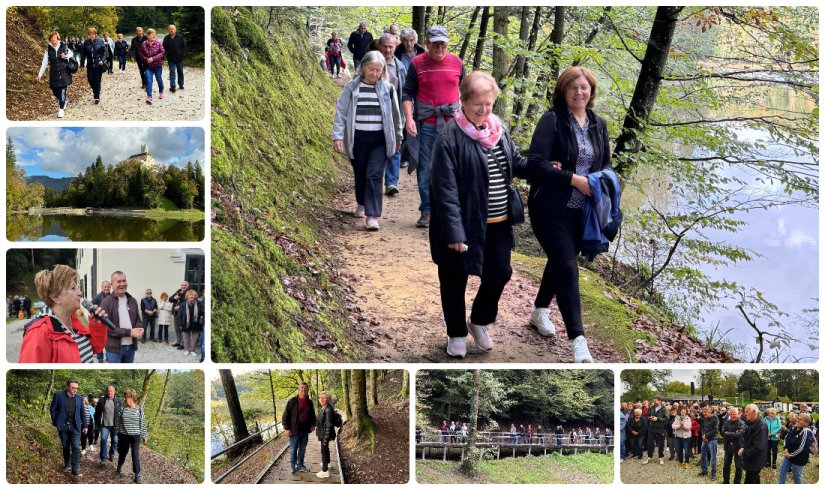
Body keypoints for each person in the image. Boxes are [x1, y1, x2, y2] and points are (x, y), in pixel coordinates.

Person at [428, 71, 528, 357]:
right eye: (477, 105)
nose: (484, 111)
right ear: (463, 101)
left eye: (489, 104)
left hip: (498, 223)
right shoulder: (448, 138)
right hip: (463, 224)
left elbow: (515, 162)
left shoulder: (499, 129)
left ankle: (479, 321)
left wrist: (542, 167)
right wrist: (454, 233)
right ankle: (456, 333)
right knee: (454, 279)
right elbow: (444, 191)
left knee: (500, 273)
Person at [526, 66, 611, 362]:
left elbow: (607, 166)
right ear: (563, 91)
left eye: (584, 87)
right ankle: (579, 340)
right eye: (573, 87)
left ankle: (539, 311)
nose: (579, 92)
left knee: (561, 262)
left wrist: (602, 183)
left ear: (591, 91)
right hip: (549, 207)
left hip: (583, 212)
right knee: (566, 264)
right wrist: (573, 179)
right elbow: (534, 164)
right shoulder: (552, 121)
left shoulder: (598, 124)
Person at [402, 25, 465, 228]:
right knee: (426, 167)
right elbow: (407, 93)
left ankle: (450, 211)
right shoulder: (417, 63)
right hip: (427, 124)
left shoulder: (457, 63)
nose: (439, 47)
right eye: (435, 43)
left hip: (453, 125)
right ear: (427, 43)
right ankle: (427, 210)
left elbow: (466, 92)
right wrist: (409, 119)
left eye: (443, 43)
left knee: (455, 167)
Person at [332, 50, 403, 231]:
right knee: (361, 172)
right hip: (357, 138)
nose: (375, 73)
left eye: (379, 70)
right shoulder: (352, 87)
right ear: (363, 68)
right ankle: (362, 203)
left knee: (374, 174)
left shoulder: (388, 89)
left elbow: (396, 115)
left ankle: (372, 215)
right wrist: (338, 136)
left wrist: (398, 136)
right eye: (371, 69)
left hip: (379, 139)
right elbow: (341, 112)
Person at [18, 265, 107, 363]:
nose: (80, 293)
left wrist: (97, 325)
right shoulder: (38, 332)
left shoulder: (73, 321)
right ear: (56, 297)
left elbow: (93, 349)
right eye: (73, 288)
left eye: (77, 287)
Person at [376, 32, 407, 197]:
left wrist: (405, 115)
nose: (388, 50)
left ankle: (391, 183)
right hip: (374, 113)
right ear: (379, 46)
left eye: (391, 47)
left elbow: (405, 92)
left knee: (395, 146)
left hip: (394, 113)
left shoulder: (400, 67)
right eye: (385, 46)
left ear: (395, 47)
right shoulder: (372, 62)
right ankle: (374, 181)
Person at [98, 271, 145, 363]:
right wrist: (129, 332)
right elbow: (106, 328)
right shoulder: (106, 302)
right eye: (118, 281)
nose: (122, 284)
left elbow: (138, 319)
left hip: (131, 347)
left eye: (124, 281)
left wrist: (139, 327)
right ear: (112, 284)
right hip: (114, 350)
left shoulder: (132, 300)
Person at [50, 379, 88, 478]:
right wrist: (56, 422)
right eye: (72, 387)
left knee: (75, 446)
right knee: (66, 446)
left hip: (75, 426)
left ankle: (75, 470)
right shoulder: (58, 395)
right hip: (63, 426)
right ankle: (67, 465)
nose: (75, 390)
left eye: (76, 388)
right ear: (68, 387)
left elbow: (82, 412)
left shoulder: (79, 398)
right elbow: (53, 409)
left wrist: (85, 425)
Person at [36, 31, 73, 118]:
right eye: (52, 38)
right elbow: (44, 63)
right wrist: (40, 74)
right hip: (54, 73)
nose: (53, 39)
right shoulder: (48, 49)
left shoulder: (63, 46)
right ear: (50, 39)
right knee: (55, 91)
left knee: (63, 90)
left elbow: (71, 54)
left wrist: (66, 56)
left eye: (55, 37)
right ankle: (64, 100)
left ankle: (61, 109)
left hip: (64, 71)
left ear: (57, 38)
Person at [116, 389, 148, 484]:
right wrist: (117, 433)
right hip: (124, 435)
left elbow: (142, 423)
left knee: (135, 455)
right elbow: (118, 423)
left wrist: (145, 435)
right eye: (125, 397)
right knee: (123, 453)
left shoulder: (139, 409)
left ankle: (137, 474)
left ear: (132, 397)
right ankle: (120, 465)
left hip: (135, 436)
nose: (125, 399)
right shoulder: (122, 409)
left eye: (128, 397)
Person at [283, 382, 316, 473]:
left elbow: (312, 415)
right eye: (302, 388)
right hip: (294, 430)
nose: (303, 390)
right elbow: (286, 415)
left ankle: (300, 464)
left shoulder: (309, 402)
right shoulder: (292, 401)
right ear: (299, 390)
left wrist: (313, 424)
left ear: (307, 390)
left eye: (305, 388)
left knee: (302, 449)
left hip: (305, 430)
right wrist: (286, 428)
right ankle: (293, 466)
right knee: (293, 449)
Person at [779, 412, 814, 484]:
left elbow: (801, 447)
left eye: (800, 419)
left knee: (797, 476)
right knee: (782, 470)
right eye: (798, 418)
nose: (797, 420)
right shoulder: (795, 427)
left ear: (806, 423)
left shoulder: (807, 432)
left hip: (798, 459)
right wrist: (785, 448)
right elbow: (786, 437)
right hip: (788, 455)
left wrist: (790, 455)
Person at [740, 404, 768, 484]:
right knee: (754, 479)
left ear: (754, 412)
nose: (745, 414)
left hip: (755, 460)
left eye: (747, 411)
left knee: (749, 481)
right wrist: (743, 447)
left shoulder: (761, 426)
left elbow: (758, 447)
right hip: (751, 458)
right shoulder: (750, 422)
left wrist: (744, 452)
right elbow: (746, 438)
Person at [79, 27, 108, 104]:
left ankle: (97, 96)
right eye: (90, 34)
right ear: (88, 35)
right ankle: (95, 91)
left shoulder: (100, 41)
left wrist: (102, 60)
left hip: (98, 65)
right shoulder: (86, 43)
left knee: (97, 80)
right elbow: (83, 55)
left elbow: (104, 52)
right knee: (90, 80)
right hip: (90, 65)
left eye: (93, 34)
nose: (91, 36)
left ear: (95, 34)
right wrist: (81, 65)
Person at [94, 385, 121, 465]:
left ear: (114, 392)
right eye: (108, 391)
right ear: (106, 391)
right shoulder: (102, 400)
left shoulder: (118, 400)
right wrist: (97, 423)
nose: (110, 392)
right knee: (103, 440)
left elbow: (121, 413)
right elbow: (97, 413)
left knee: (115, 441)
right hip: (104, 425)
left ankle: (112, 454)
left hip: (115, 425)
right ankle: (103, 458)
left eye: (111, 391)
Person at [139, 28, 166, 104]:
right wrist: (146, 59)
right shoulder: (143, 44)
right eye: (152, 34)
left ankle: (161, 92)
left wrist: (153, 58)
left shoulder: (158, 43)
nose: (154, 35)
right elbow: (140, 54)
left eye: (155, 34)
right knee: (148, 80)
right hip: (148, 66)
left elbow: (162, 52)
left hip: (157, 65)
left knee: (159, 79)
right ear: (148, 35)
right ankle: (149, 97)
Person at [314, 391, 337, 479]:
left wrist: (325, 439)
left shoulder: (328, 410)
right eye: (321, 397)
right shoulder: (324, 407)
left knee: (323, 450)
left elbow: (329, 425)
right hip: (322, 433)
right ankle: (327, 463)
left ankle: (325, 471)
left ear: (328, 399)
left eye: (325, 398)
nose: (322, 399)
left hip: (325, 435)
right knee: (325, 449)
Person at [721, 407, 746, 484]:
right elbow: (722, 432)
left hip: (738, 447)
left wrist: (727, 433)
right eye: (730, 414)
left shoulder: (742, 423)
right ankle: (725, 482)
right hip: (728, 446)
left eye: (734, 414)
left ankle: (737, 483)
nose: (732, 416)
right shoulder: (727, 422)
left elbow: (738, 434)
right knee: (726, 465)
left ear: (738, 414)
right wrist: (733, 433)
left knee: (738, 467)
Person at [176, 289, 204, 357]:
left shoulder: (199, 303)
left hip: (196, 323)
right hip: (185, 323)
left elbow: (203, 313)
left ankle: (192, 350)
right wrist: (179, 325)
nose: (191, 296)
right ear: (187, 296)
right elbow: (179, 315)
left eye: (193, 295)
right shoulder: (183, 304)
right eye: (189, 295)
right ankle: (186, 350)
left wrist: (201, 318)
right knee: (186, 338)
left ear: (195, 296)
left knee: (195, 338)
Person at [163, 24, 186, 92]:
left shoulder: (180, 37)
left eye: (173, 28)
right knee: (172, 72)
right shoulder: (166, 38)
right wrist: (164, 57)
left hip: (179, 58)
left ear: (175, 29)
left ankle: (181, 85)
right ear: (168, 30)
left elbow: (184, 46)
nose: (171, 30)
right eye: (170, 28)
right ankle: (172, 86)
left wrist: (182, 54)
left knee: (180, 72)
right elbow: (164, 48)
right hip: (171, 59)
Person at [644, 396, 667, 465]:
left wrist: (657, 419)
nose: (654, 402)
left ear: (659, 401)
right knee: (650, 443)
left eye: (655, 401)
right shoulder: (652, 408)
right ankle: (649, 457)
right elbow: (648, 415)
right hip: (652, 428)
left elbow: (666, 419)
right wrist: (650, 417)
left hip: (660, 428)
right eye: (654, 401)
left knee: (661, 444)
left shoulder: (664, 409)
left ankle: (661, 458)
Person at [698, 406, 718, 479]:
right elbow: (702, 428)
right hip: (705, 439)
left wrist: (706, 435)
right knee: (703, 455)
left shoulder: (715, 418)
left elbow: (715, 430)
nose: (704, 414)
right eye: (703, 412)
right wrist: (704, 435)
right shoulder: (704, 418)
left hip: (712, 439)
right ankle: (704, 470)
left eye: (705, 412)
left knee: (713, 458)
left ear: (709, 412)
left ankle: (713, 474)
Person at [170, 281, 190, 349]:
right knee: (177, 328)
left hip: (184, 314)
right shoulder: (178, 291)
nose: (183, 286)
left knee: (182, 329)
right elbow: (170, 299)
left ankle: (183, 343)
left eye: (185, 285)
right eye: (182, 285)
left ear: (188, 286)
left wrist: (180, 306)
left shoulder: (189, 292)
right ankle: (178, 341)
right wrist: (174, 298)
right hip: (176, 313)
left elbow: (188, 301)